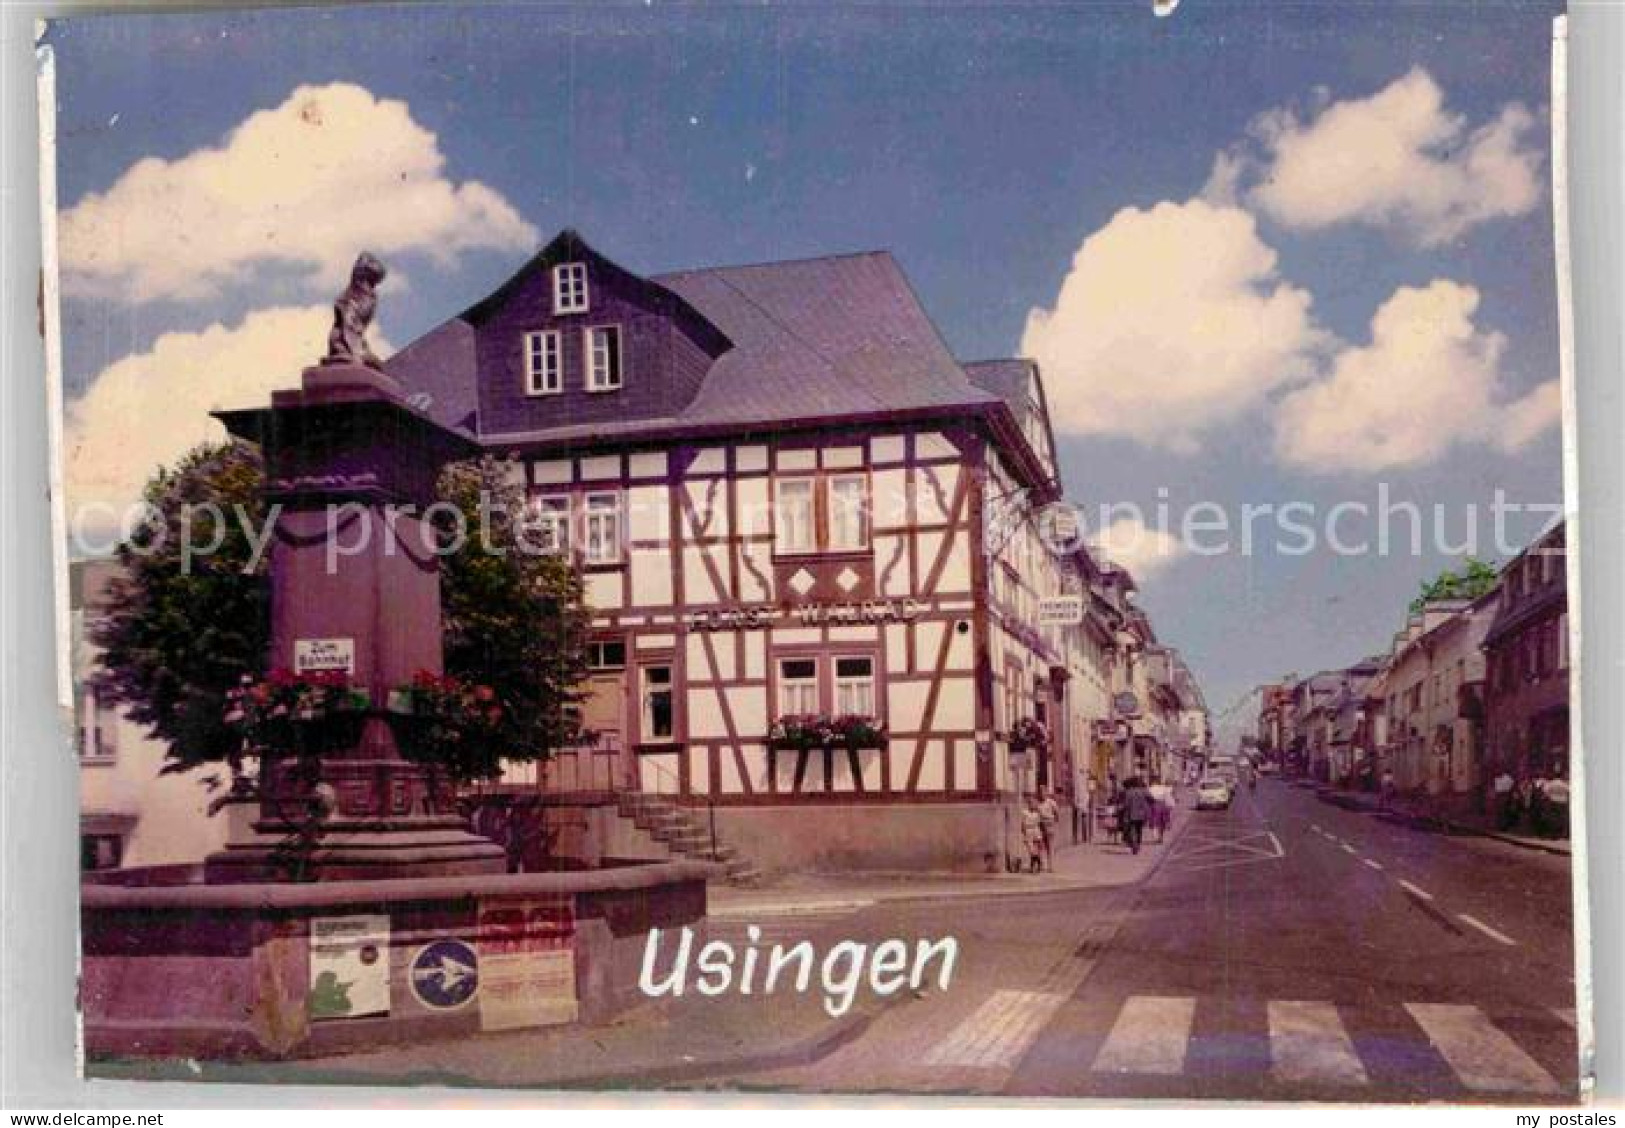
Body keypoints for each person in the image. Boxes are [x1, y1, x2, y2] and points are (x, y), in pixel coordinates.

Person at [1118, 777, 1152, 855]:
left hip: (1131, 814)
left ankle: (1134, 845)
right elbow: (1151, 799)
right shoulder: (1143, 791)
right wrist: (1147, 806)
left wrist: (1121, 808)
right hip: (1141, 814)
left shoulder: (1129, 792)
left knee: (1132, 829)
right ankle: (1138, 844)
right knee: (1139, 830)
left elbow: (1126, 804)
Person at [1035, 786, 1060, 871]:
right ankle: (1041, 865)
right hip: (1040, 824)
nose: (1042, 794)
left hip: (1049, 823)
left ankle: (1051, 866)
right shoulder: (1037, 803)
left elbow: (1056, 812)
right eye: (1040, 792)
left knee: (1049, 846)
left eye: (1043, 792)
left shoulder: (1051, 802)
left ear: (1046, 793)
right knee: (1040, 845)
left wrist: (1053, 822)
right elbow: (1035, 812)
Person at [1543, 767, 1570, 839]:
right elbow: (1569, 791)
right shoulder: (1564, 784)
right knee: (1562, 818)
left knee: (1553, 818)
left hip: (1553, 802)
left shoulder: (1550, 783)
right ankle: (1561, 834)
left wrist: (1550, 796)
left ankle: (1554, 834)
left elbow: (1545, 792)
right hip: (1563, 802)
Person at [1021, 798, 1046, 874]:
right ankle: (1038, 861)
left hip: (1036, 830)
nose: (1032, 805)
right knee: (1031, 850)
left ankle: (1034, 866)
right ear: (1028, 804)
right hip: (1028, 830)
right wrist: (1024, 833)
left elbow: (1040, 823)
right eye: (1031, 803)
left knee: (1037, 848)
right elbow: (1022, 824)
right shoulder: (1025, 812)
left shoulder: (1037, 813)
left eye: (1034, 803)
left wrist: (1040, 835)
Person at [1147, 776, 1174, 843]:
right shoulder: (1163, 788)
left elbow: (1147, 799)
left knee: (1154, 822)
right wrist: (1170, 806)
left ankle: (1155, 837)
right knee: (1162, 822)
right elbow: (1167, 797)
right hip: (1163, 805)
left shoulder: (1150, 789)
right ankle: (1161, 836)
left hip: (1154, 805)